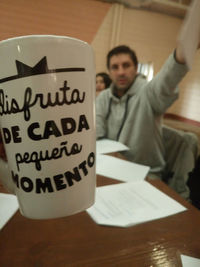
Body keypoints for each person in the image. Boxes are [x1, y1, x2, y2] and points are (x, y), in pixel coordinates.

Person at [96, 44, 199, 200]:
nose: (121, 72)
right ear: (109, 72)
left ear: (136, 68)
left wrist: (182, 53)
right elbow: (97, 132)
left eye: (126, 65)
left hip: (145, 174)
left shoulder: (147, 92)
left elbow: (166, 81)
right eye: (115, 67)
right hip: (108, 167)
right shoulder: (103, 97)